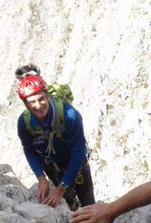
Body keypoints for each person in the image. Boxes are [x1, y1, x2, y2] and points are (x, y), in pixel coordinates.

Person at [17, 70, 95, 209]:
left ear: (47, 96)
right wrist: (41, 178)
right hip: (52, 167)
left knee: (88, 203)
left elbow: (79, 152)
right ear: (26, 105)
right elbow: (29, 150)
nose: (38, 105)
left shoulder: (69, 115)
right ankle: (72, 207)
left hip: (77, 165)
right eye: (32, 102)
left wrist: (61, 188)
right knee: (67, 203)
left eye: (41, 99)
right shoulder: (24, 122)